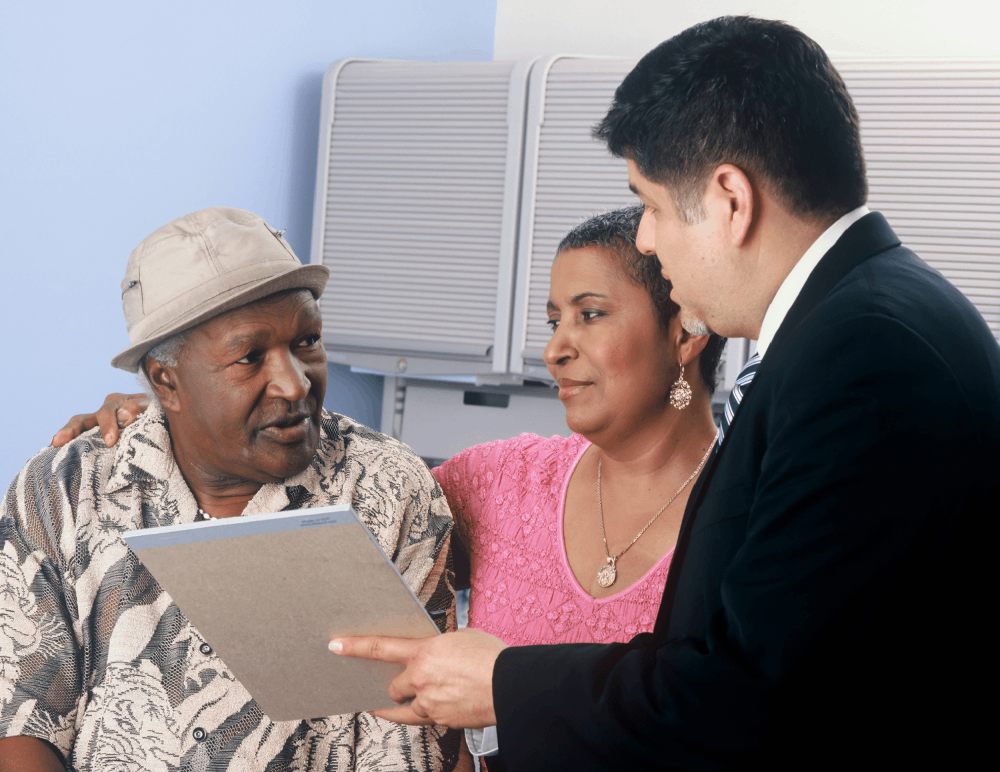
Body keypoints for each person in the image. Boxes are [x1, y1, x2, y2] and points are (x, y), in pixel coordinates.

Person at [325, 16, 1000, 771]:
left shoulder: (863, 359)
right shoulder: (877, 318)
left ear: (729, 200)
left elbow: (750, 695)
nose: (645, 239)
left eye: (648, 203)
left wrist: (504, 681)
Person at [51, 208, 727, 761]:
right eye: (554, 321)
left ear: (685, 331)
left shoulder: (755, 515)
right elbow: (346, 495)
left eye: (590, 314)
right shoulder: (505, 483)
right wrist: (169, 418)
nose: (555, 348)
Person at [0, 207, 462, 771]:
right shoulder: (67, 488)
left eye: (308, 341)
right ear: (167, 380)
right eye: (250, 357)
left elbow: (411, 740)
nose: (295, 383)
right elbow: (21, 717)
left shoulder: (385, 488)